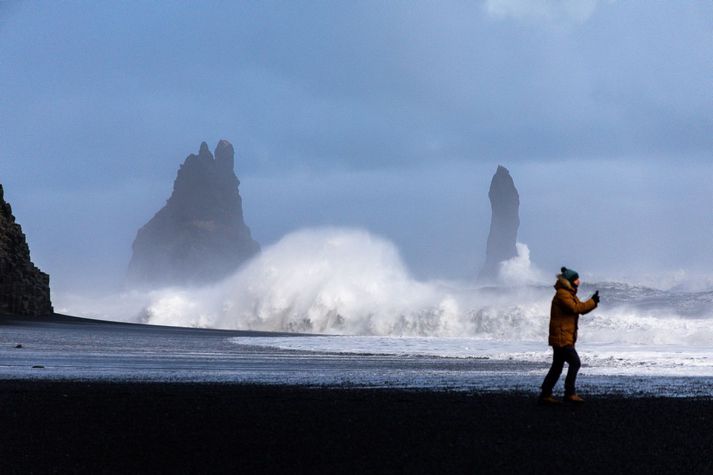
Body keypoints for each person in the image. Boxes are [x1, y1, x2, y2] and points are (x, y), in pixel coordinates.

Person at [539, 267, 600, 405]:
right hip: (561, 337)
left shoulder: (569, 293)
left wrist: (593, 301)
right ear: (571, 281)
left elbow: (580, 308)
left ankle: (545, 394)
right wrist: (593, 302)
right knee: (575, 363)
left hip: (564, 336)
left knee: (557, 366)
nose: (579, 281)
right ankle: (569, 393)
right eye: (577, 279)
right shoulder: (563, 294)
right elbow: (575, 309)